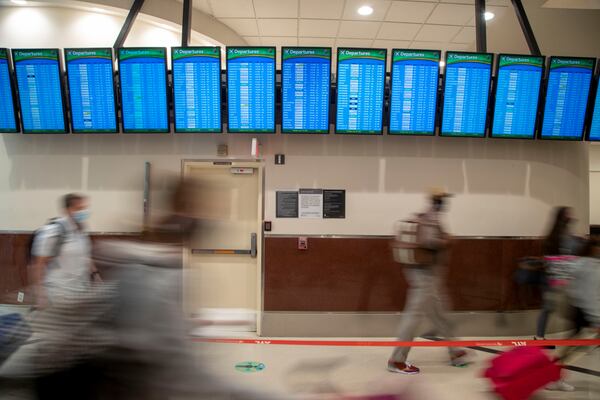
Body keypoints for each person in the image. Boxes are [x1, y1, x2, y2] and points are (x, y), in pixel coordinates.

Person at [387, 188, 467, 375]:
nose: (446, 203)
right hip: (425, 277)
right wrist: (448, 240)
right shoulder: (432, 218)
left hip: (424, 275)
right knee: (412, 317)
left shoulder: (426, 216)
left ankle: (455, 351)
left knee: (440, 314)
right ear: (437, 201)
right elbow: (429, 241)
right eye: (443, 199)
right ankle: (397, 360)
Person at [535, 207, 582, 342]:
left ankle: (539, 337)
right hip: (561, 278)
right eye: (568, 215)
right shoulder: (567, 237)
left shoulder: (551, 236)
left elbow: (547, 257)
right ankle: (571, 337)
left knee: (548, 308)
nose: (571, 217)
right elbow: (573, 252)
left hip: (551, 277)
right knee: (562, 307)